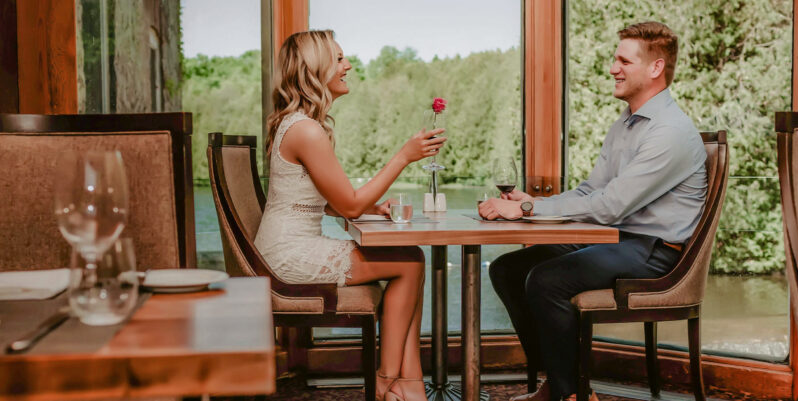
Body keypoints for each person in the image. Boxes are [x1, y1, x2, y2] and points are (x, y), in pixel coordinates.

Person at [479, 22, 707, 401]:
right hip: (620, 239)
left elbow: (610, 206)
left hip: (656, 252)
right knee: (508, 268)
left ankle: (573, 396)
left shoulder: (670, 132)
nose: (613, 68)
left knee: (547, 280)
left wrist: (526, 207)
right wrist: (529, 207)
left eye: (623, 60)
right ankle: (558, 382)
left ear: (656, 68)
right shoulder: (626, 124)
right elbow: (590, 191)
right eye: (614, 59)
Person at [254, 30, 446, 401]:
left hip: (285, 245)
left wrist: (372, 206)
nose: (348, 65)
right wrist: (403, 157)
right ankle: (387, 382)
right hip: (287, 255)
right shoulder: (306, 130)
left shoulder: (298, 124)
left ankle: (410, 385)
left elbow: (322, 200)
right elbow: (350, 207)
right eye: (339, 59)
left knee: (411, 259)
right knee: (409, 262)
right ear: (316, 68)